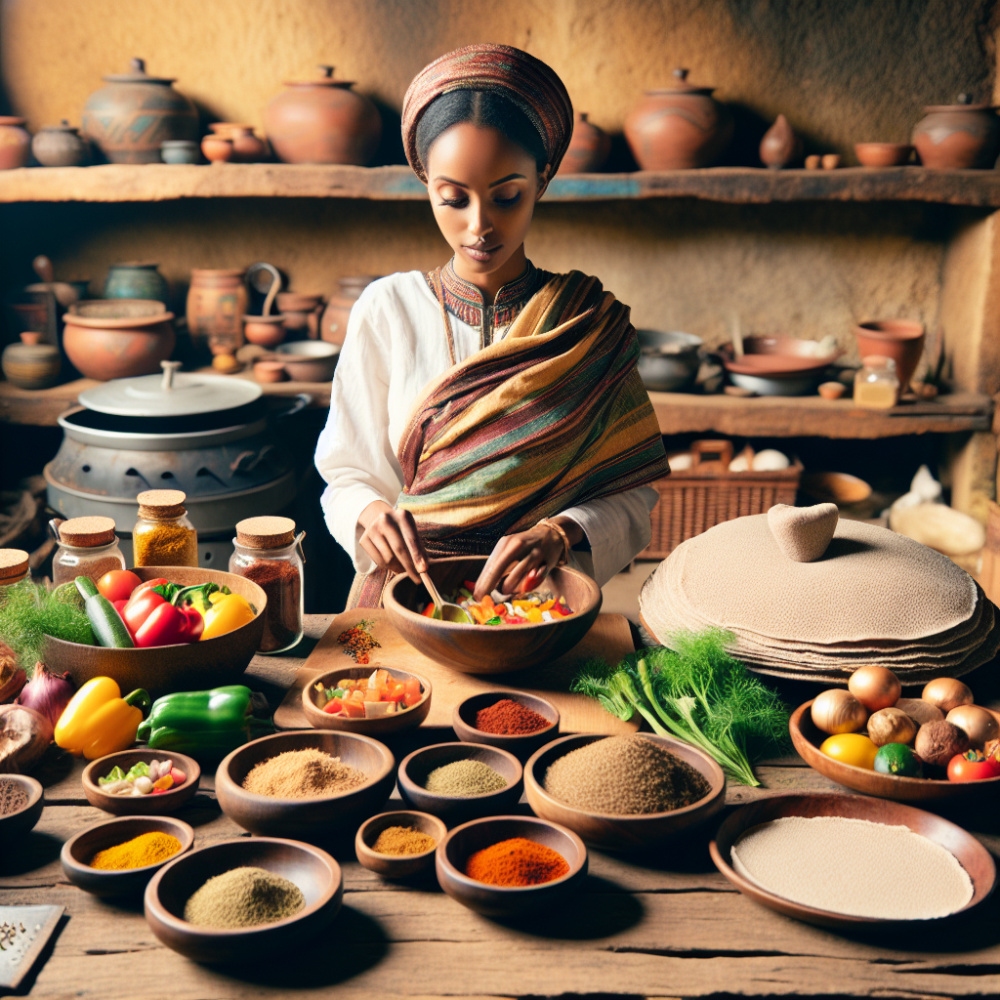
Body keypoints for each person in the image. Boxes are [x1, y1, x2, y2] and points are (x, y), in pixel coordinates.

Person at [315, 43, 670, 609]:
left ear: (543, 180)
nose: (478, 225)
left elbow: (631, 493)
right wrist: (368, 511)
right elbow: (346, 475)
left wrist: (560, 532)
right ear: (425, 184)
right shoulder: (387, 309)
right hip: (409, 597)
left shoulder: (585, 322)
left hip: (538, 606)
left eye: (507, 197)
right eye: (452, 198)